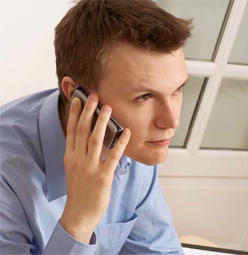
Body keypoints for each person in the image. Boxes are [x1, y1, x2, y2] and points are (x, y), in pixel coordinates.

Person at [0, 0, 192, 254]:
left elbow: (158, 249)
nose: (171, 121)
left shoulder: (135, 146)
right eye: (144, 97)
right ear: (75, 95)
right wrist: (79, 220)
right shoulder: (7, 173)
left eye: (177, 90)